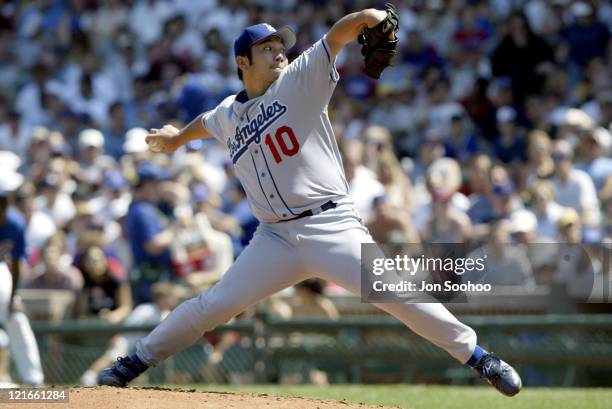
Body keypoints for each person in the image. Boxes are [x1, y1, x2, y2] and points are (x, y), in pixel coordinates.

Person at [98, 8, 521, 396]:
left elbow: (336, 36)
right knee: (214, 305)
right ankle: (134, 362)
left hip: (330, 226)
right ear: (242, 62)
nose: (279, 53)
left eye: (280, 46)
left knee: (395, 292)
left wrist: (370, 17)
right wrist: (176, 139)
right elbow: (206, 123)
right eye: (267, 49)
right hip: (273, 239)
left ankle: (479, 357)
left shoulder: (299, 81)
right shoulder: (229, 113)